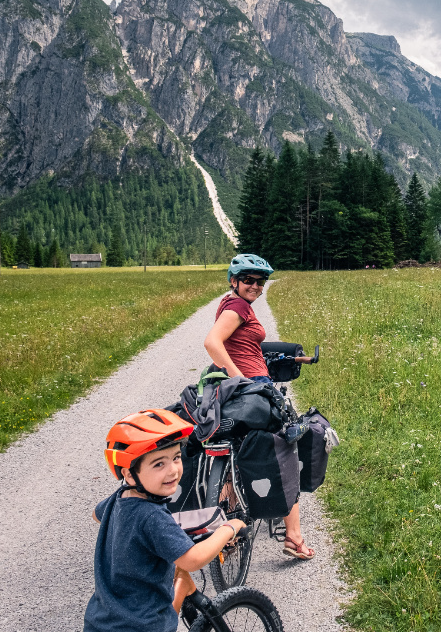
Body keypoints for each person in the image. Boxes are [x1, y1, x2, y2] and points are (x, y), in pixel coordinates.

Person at [84, 408, 247, 632]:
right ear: (129, 474)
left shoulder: (118, 499)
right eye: (158, 464)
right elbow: (193, 560)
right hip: (142, 626)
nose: (173, 471)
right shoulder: (151, 516)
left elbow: (96, 514)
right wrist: (229, 527)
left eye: (176, 458)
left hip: (100, 622)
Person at [203, 253, 315, 561]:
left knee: (233, 448)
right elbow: (213, 342)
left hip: (228, 390)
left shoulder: (230, 304)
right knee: (286, 446)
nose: (255, 286)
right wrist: (242, 379)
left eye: (260, 281)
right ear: (233, 281)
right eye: (248, 280)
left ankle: (222, 525)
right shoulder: (238, 307)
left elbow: (239, 344)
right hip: (251, 389)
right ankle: (294, 536)